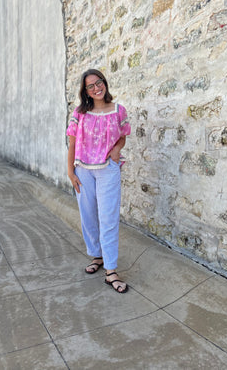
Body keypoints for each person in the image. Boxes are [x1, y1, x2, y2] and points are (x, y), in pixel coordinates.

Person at [67, 68, 131, 293]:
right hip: (83, 170)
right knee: (88, 216)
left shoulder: (118, 110)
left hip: (108, 169)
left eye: (99, 82)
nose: (96, 88)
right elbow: (72, 142)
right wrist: (70, 171)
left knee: (109, 217)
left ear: (105, 83)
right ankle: (97, 256)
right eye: (90, 86)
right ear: (85, 91)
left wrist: (117, 149)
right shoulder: (80, 113)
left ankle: (111, 270)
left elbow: (123, 134)